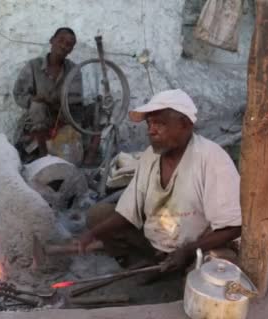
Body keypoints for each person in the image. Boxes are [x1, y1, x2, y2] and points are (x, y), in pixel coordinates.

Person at [78, 89, 242, 272]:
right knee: (98, 215)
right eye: (149, 124)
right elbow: (128, 211)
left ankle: (176, 274)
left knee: (219, 267)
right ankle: (147, 264)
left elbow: (233, 227)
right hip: (156, 244)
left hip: (196, 249)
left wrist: (188, 251)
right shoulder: (150, 156)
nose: (151, 130)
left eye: (160, 123)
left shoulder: (211, 158)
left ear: (185, 124)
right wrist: (92, 234)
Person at [13, 27, 83, 158]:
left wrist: (52, 101)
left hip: (63, 118)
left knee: (99, 109)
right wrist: (33, 100)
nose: (63, 46)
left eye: (69, 45)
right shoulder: (34, 66)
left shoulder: (73, 70)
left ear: (71, 50)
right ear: (52, 40)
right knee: (38, 106)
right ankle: (42, 154)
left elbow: (74, 101)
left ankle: (91, 157)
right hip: (38, 119)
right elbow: (19, 93)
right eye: (61, 40)